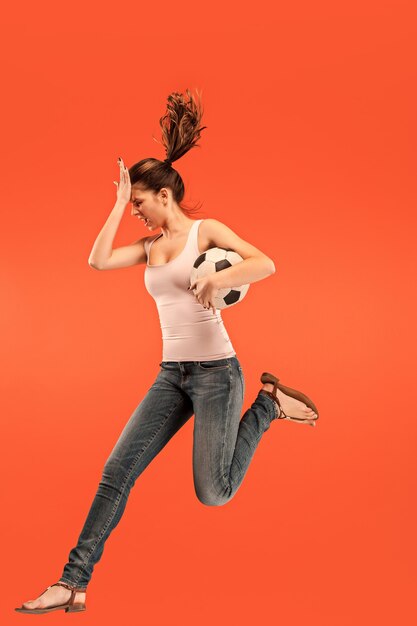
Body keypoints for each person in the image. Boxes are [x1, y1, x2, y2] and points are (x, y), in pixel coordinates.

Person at [15, 89, 319, 615]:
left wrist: (212, 285)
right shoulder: (152, 248)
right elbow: (97, 262)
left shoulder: (207, 232)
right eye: (130, 203)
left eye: (137, 202)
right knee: (117, 470)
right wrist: (113, 205)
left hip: (218, 376)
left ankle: (268, 404)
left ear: (163, 195)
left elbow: (264, 263)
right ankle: (72, 582)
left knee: (214, 493)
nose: (135, 211)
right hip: (172, 376)